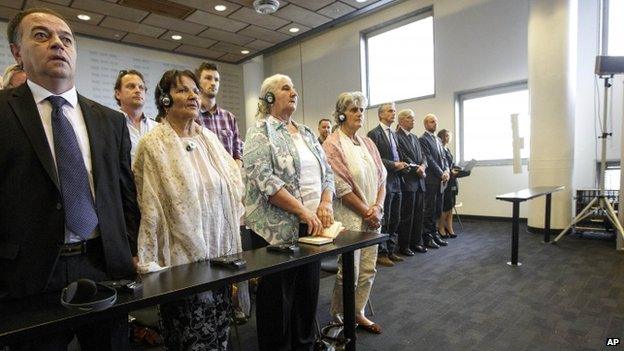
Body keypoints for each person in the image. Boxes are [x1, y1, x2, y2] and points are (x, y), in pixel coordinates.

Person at [1, 8, 140, 350]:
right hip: (28, 275)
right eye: (41, 35)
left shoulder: (110, 121)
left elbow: (125, 196)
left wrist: (128, 248)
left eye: (66, 38)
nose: (57, 44)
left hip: (103, 264)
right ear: (18, 52)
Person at [133, 69, 245, 350]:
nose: (193, 95)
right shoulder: (153, 144)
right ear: (165, 99)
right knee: (190, 338)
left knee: (219, 333)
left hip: (219, 257)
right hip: (181, 265)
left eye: (195, 89)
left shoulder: (209, 140)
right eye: (182, 90)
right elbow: (149, 206)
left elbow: (233, 185)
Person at [243, 73, 335, 351]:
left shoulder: (306, 132)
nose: (294, 92)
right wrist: (302, 211)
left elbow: (327, 173)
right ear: (269, 97)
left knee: (307, 296)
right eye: (286, 88)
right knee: (277, 302)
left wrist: (325, 203)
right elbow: (265, 179)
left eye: (294, 88)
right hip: (275, 230)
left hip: (311, 226)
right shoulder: (260, 131)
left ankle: (304, 345)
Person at [323, 91, 387, 335]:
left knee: (369, 267)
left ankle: (357, 312)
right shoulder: (332, 143)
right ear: (341, 114)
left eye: (361, 109)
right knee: (351, 270)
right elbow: (339, 185)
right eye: (353, 109)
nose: (359, 113)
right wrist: (366, 210)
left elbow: (383, 177)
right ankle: (339, 316)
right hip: (349, 215)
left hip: (373, 214)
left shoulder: (368, 143)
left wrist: (378, 208)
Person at [367, 102, 406, 267]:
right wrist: (393, 164)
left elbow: (399, 154)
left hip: (397, 179)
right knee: (386, 217)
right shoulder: (373, 134)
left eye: (395, 111)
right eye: (390, 111)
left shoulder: (394, 134)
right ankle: (380, 252)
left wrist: (402, 165)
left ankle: (390, 249)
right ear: (381, 114)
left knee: (396, 217)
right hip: (384, 181)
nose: (394, 113)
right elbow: (373, 158)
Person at [195, 62, 243, 166]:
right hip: (205, 178)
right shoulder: (193, 117)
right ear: (198, 82)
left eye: (216, 80)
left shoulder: (229, 117)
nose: (213, 83)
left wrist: (235, 175)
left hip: (229, 177)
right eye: (208, 78)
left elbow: (238, 154)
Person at [395, 109, 428, 254]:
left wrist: (423, 166)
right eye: (409, 118)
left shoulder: (415, 137)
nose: (413, 120)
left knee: (419, 214)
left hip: (419, 181)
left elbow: (423, 156)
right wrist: (417, 168)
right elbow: (403, 156)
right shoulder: (397, 137)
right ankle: (404, 245)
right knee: (407, 216)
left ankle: (416, 242)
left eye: (413, 118)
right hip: (408, 180)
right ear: (401, 121)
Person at [419, 114, 449, 249]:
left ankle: (435, 234)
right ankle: (427, 237)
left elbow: (444, 158)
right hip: (431, 180)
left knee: (438, 210)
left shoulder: (437, 139)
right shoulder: (423, 139)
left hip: (441, 181)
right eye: (432, 122)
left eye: (436, 122)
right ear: (425, 124)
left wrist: (447, 170)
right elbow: (429, 159)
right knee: (429, 210)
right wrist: (441, 173)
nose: (435, 124)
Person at [114, 69, 157, 161]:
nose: (137, 90)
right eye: (131, 86)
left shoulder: (157, 127)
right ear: (118, 94)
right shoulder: (110, 126)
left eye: (141, 87)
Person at [437, 129, 459, 238]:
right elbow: (441, 165)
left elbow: (451, 164)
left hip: (452, 180)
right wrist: (450, 172)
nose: (448, 137)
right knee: (445, 206)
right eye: (446, 136)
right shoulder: (439, 148)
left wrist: (457, 170)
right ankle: (441, 228)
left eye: (449, 136)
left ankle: (449, 228)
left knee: (450, 206)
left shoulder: (447, 149)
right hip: (445, 180)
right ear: (441, 137)